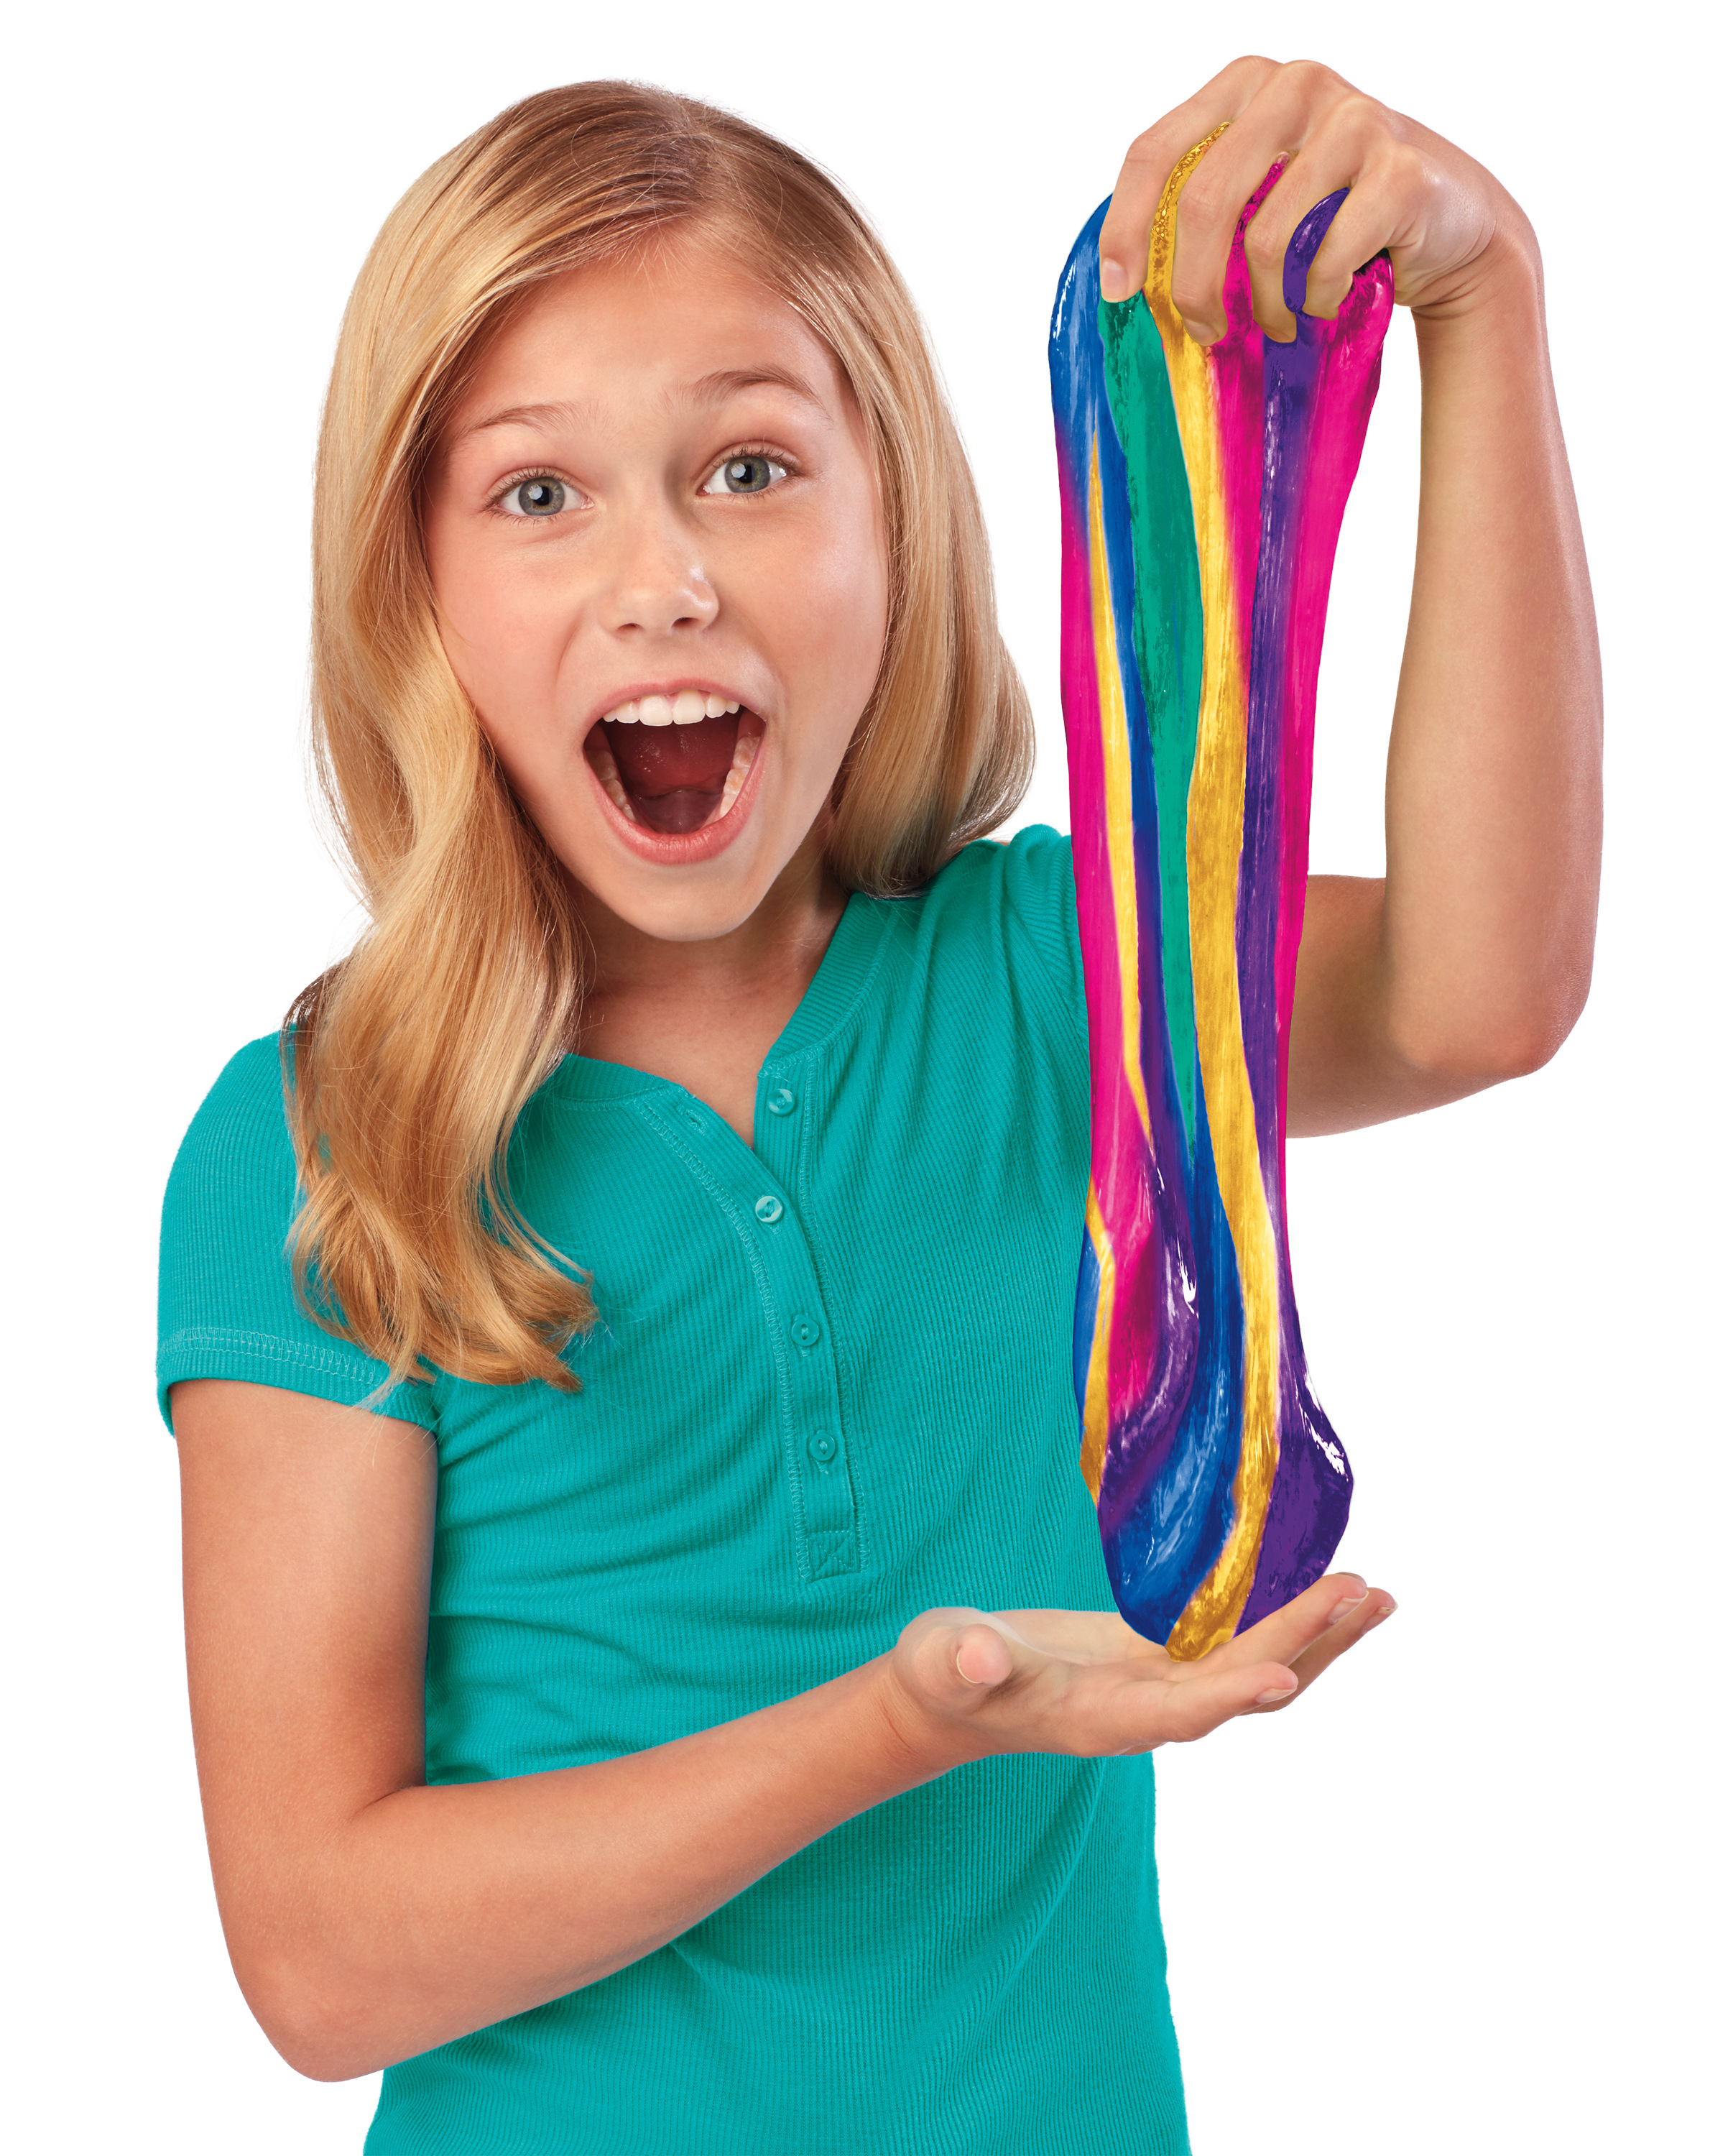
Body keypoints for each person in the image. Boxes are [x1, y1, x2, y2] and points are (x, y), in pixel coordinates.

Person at [158, 57, 1601, 2156]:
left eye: (749, 467)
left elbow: (1481, 992)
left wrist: (1487, 296)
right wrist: (909, 1721)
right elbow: (322, 1958)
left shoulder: (1059, 980)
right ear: (420, 592)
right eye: (540, 495)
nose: (664, 578)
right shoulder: (323, 1143)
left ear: (893, 527)